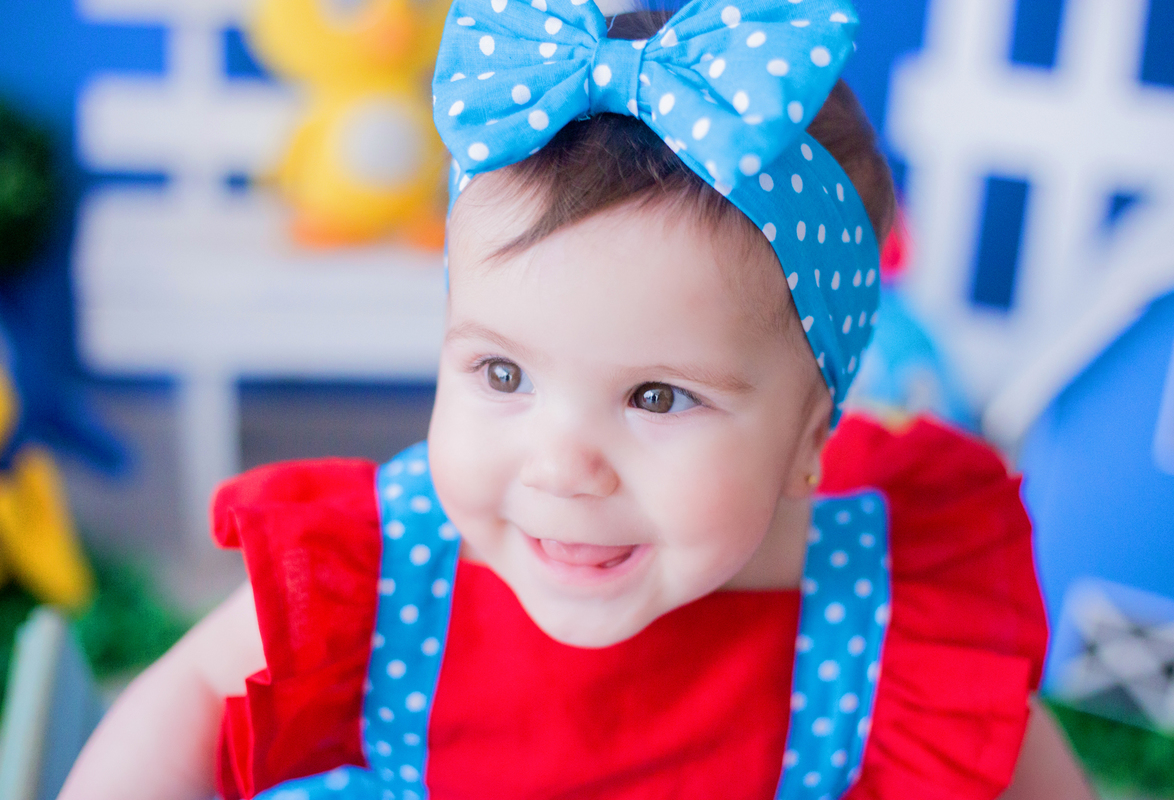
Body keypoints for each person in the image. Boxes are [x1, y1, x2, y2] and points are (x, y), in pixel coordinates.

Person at [60, 1, 1095, 798]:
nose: (561, 463)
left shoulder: (881, 621)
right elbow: (190, 695)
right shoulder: (393, 566)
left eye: (656, 395)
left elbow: (1021, 761)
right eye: (502, 373)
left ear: (808, 436)